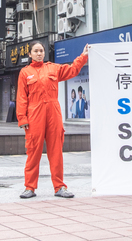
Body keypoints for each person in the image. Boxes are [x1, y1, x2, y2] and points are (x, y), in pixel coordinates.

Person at [17, 42, 89, 199]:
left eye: (41, 50)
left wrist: (83, 57)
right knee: (33, 152)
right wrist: (22, 118)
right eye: (35, 51)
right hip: (34, 114)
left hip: (53, 113)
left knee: (56, 151)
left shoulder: (53, 68)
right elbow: (21, 97)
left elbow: (72, 70)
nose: (39, 53)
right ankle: (29, 187)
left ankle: (59, 187)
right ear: (30, 54)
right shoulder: (25, 72)